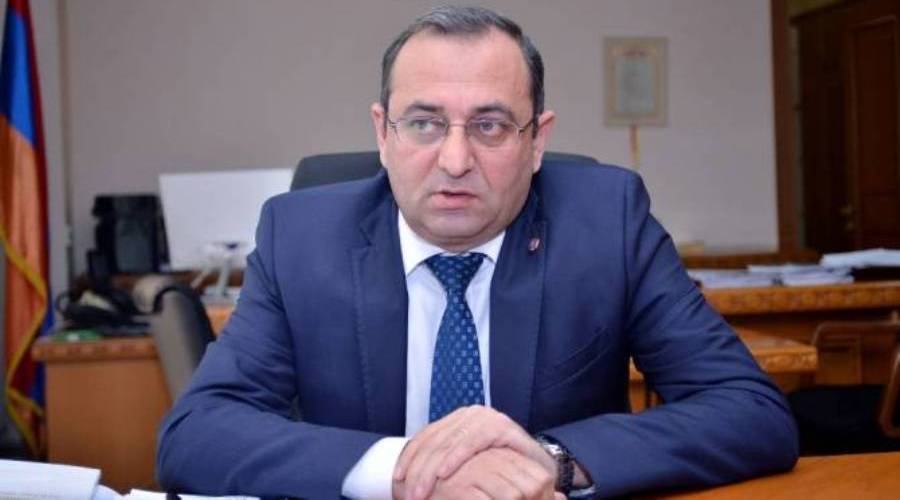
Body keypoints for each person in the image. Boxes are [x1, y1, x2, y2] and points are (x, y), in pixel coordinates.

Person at [157, 6, 798, 499]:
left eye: (489, 126)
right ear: (383, 133)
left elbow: (752, 412)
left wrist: (549, 460)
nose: (456, 159)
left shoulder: (608, 223)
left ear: (536, 140)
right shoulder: (302, 237)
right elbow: (198, 432)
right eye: (424, 123)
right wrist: (403, 469)